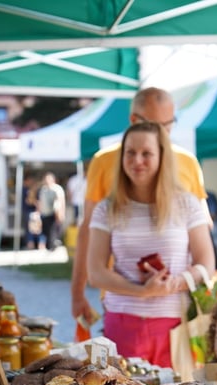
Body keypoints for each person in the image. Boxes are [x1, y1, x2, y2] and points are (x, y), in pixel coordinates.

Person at [72, 87, 209, 330]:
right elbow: (87, 230)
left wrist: (187, 280)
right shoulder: (104, 162)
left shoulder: (188, 162)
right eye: (155, 126)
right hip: (121, 300)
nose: (162, 133)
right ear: (134, 120)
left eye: (168, 124)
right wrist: (77, 292)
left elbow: (203, 231)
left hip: (176, 310)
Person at [87, 121, 214, 367]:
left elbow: (206, 264)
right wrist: (143, 291)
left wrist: (175, 283)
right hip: (123, 322)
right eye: (130, 153)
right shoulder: (106, 208)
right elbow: (96, 273)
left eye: (146, 153)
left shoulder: (187, 204)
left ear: (162, 157)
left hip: (176, 324)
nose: (137, 161)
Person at [37, 171, 65, 251]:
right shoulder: (43, 189)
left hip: (54, 214)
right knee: (46, 231)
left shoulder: (57, 189)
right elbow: (40, 201)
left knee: (53, 231)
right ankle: (48, 246)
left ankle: (53, 246)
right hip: (45, 213)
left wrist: (61, 213)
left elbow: (60, 201)